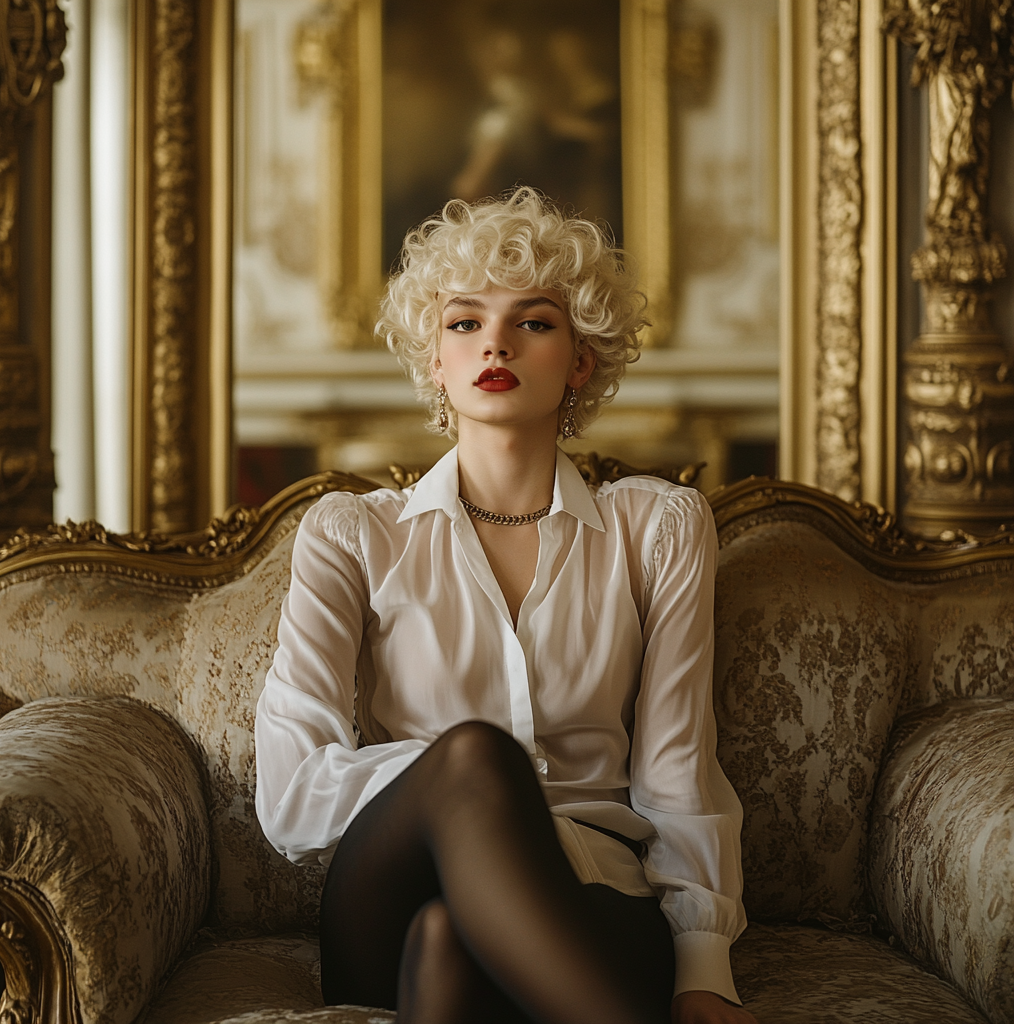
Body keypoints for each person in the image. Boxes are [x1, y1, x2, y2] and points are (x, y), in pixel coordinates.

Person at [255, 189, 757, 1024]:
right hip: (390, 896)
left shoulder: (656, 528)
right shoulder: (351, 536)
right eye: (464, 323)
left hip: (593, 892)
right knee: (474, 760)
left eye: (533, 322)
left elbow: (677, 771)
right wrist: (484, 787)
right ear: (436, 360)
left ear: (582, 359)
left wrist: (703, 966)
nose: (494, 341)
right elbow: (295, 792)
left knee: (452, 941)